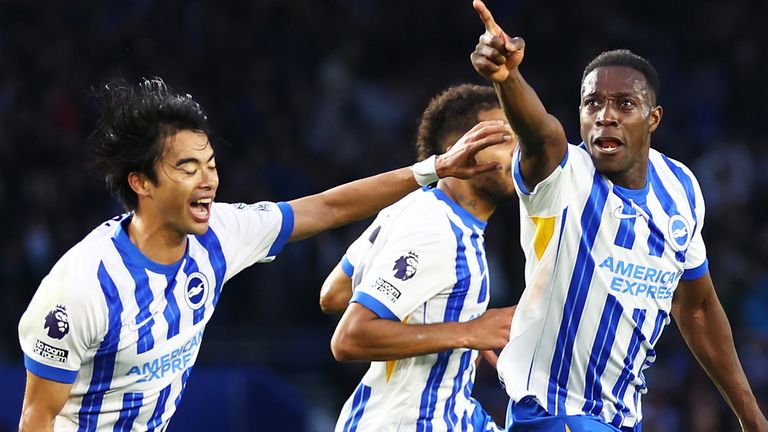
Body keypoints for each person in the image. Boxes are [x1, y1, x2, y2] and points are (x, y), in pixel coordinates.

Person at [16, 78, 512, 431]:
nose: (208, 180)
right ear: (140, 182)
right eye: (187, 168)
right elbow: (37, 416)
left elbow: (328, 206)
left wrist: (432, 168)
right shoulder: (81, 287)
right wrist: (469, 331)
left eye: (210, 165)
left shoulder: (221, 234)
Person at [469, 1, 768, 431]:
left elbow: (698, 307)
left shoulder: (680, 189)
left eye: (624, 104)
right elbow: (541, 135)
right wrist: (507, 78)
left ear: (653, 119)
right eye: (592, 104)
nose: (605, 116)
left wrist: (751, 416)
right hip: (551, 414)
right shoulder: (563, 175)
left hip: (621, 419)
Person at [320, 84, 517, 432]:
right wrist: (468, 331)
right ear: (459, 151)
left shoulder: (413, 206)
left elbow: (334, 293)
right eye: (503, 140)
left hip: (443, 415)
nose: (519, 152)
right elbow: (349, 337)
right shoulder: (437, 229)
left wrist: (448, 316)